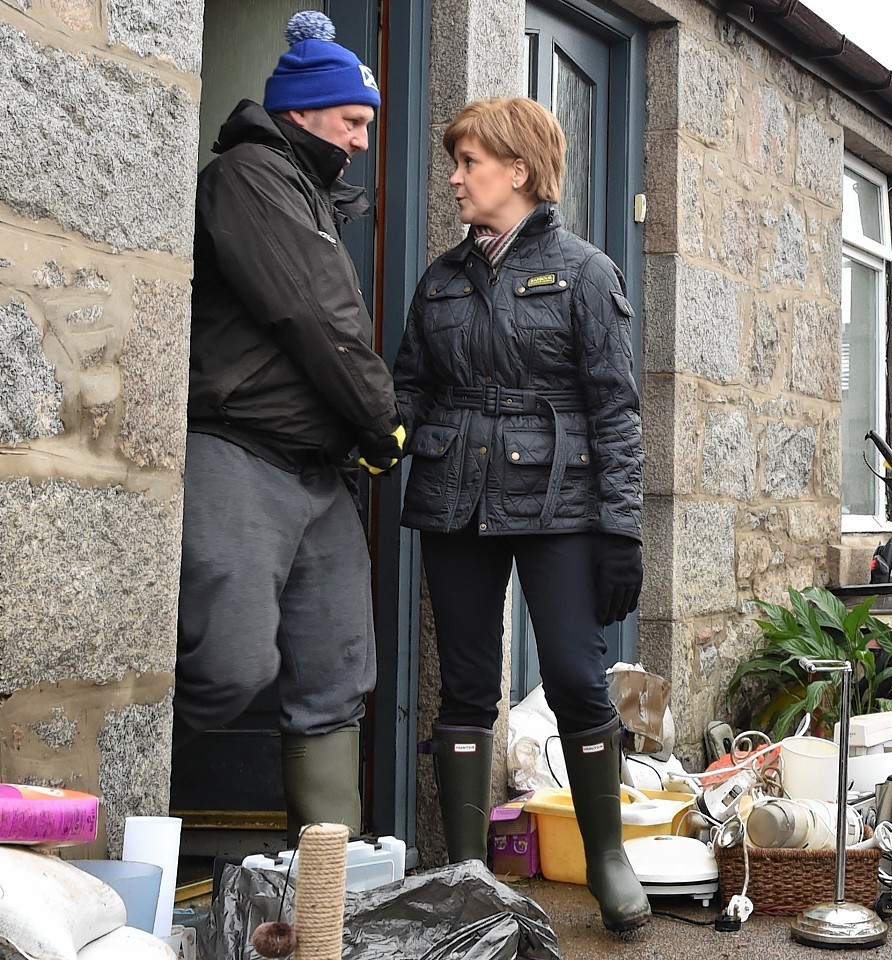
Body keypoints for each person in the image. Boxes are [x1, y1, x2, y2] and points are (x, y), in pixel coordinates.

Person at [394, 97, 647, 933]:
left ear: (520, 172)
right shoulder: (441, 279)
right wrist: (374, 427)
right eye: (456, 162)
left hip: (559, 502)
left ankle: (607, 856)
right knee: (466, 686)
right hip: (453, 497)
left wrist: (621, 529)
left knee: (577, 679)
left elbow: (616, 412)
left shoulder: (585, 272)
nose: (457, 178)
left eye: (469, 163)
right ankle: (470, 876)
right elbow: (410, 385)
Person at [175, 11, 404, 847]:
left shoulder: (314, 192)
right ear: (302, 111)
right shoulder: (249, 175)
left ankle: (326, 903)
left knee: (339, 673)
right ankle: (111, 824)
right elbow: (317, 314)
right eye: (352, 122)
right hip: (239, 451)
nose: (363, 141)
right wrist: (384, 419)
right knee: (232, 667)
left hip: (317, 473)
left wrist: (364, 429)